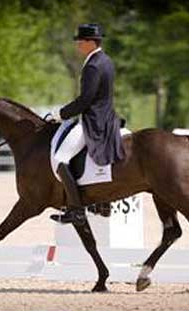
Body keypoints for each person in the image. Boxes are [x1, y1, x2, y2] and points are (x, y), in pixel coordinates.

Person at [49, 23, 125, 225]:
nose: (78, 45)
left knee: (60, 158)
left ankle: (76, 209)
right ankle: (99, 202)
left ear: (91, 42)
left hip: (94, 119)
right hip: (108, 116)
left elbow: (85, 100)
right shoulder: (106, 61)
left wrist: (60, 114)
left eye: (80, 41)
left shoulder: (93, 65)